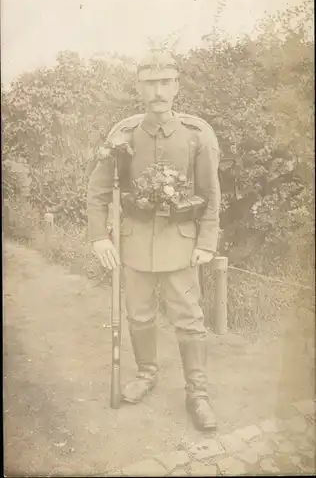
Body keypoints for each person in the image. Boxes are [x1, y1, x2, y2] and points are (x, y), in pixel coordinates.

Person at [87, 51, 221, 431]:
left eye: (165, 82)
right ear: (139, 88)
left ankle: (198, 392)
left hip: (181, 243)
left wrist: (206, 241)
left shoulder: (197, 136)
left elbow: (211, 193)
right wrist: (99, 236)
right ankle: (146, 373)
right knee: (139, 315)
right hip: (134, 243)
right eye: (150, 83)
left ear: (177, 86)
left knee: (189, 320)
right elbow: (97, 191)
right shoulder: (123, 135)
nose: (158, 90)